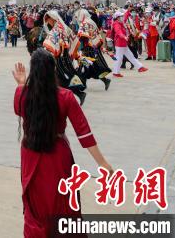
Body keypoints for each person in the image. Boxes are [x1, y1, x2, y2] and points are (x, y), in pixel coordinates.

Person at [12, 50, 113, 237]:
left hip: (30, 154)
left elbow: (19, 109)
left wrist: (20, 83)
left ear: (33, 71)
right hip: (57, 155)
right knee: (62, 203)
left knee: (35, 205)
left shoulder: (22, 94)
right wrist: (102, 163)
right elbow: (84, 133)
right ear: (53, 71)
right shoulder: (65, 96)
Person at [42, 11, 87, 105]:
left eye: (48, 19)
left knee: (64, 78)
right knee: (62, 78)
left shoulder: (56, 28)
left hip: (60, 58)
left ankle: (78, 94)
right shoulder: (63, 26)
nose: (47, 22)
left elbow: (51, 42)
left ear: (52, 18)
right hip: (65, 57)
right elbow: (72, 39)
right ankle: (73, 95)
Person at [108, 10, 148, 77]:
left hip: (123, 43)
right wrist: (124, 37)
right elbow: (118, 32)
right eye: (121, 16)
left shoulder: (121, 23)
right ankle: (116, 72)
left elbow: (126, 17)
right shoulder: (116, 24)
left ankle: (140, 67)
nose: (122, 17)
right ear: (118, 17)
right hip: (120, 43)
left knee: (129, 56)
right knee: (119, 58)